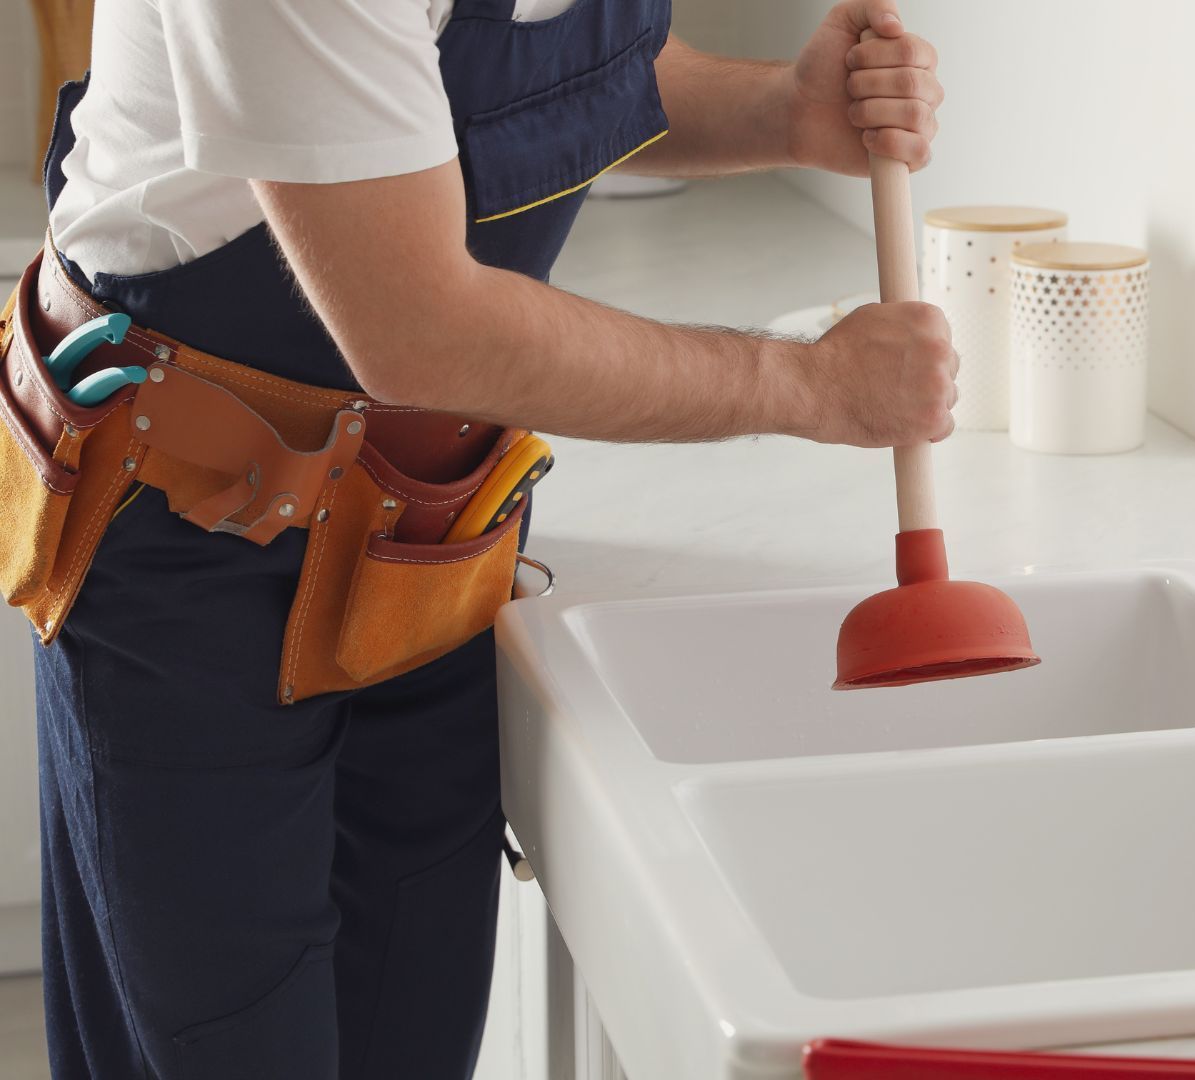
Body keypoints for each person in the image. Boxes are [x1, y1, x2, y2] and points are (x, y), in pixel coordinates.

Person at [19, 1, 950, 1076]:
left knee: (408, 1031)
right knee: (225, 1043)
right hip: (185, 536)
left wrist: (778, 112)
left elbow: (571, 67)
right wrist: (808, 382)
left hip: (427, 533)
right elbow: (417, 330)